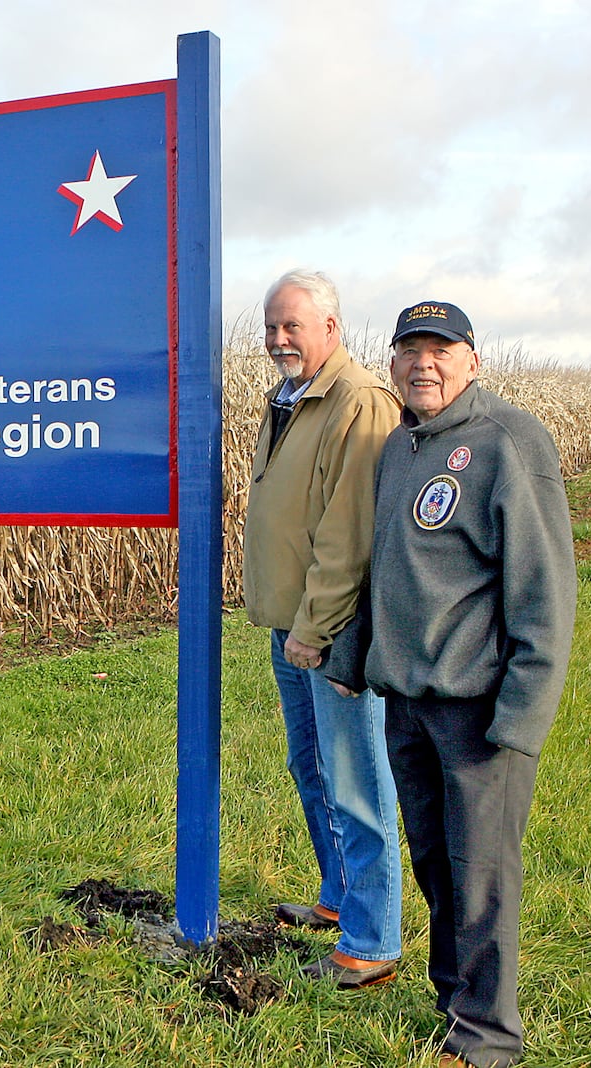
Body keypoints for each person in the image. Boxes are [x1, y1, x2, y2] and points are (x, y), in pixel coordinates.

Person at [365, 302, 576, 1067]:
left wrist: (520, 717)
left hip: (479, 709)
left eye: (441, 350)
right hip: (409, 703)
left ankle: (488, 1038)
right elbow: (388, 568)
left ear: (473, 360)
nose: (424, 363)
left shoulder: (509, 441)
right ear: (391, 363)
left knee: (481, 877)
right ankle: (455, 1000)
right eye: (409, 349)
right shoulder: (400, 449)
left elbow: (543, 590)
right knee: (433, 863)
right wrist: (363, 660)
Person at [241, 269, 405, 987]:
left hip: (333, 630)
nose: (279, 339)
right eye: (272, 326)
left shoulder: (358, 401)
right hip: (291, 624)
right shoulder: (291, 398)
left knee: (356, 779)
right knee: (309, 767)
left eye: (293, 326)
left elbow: (349, 533)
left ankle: (372, 944)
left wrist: (315, 627)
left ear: (331, 329)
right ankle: (339, 900)